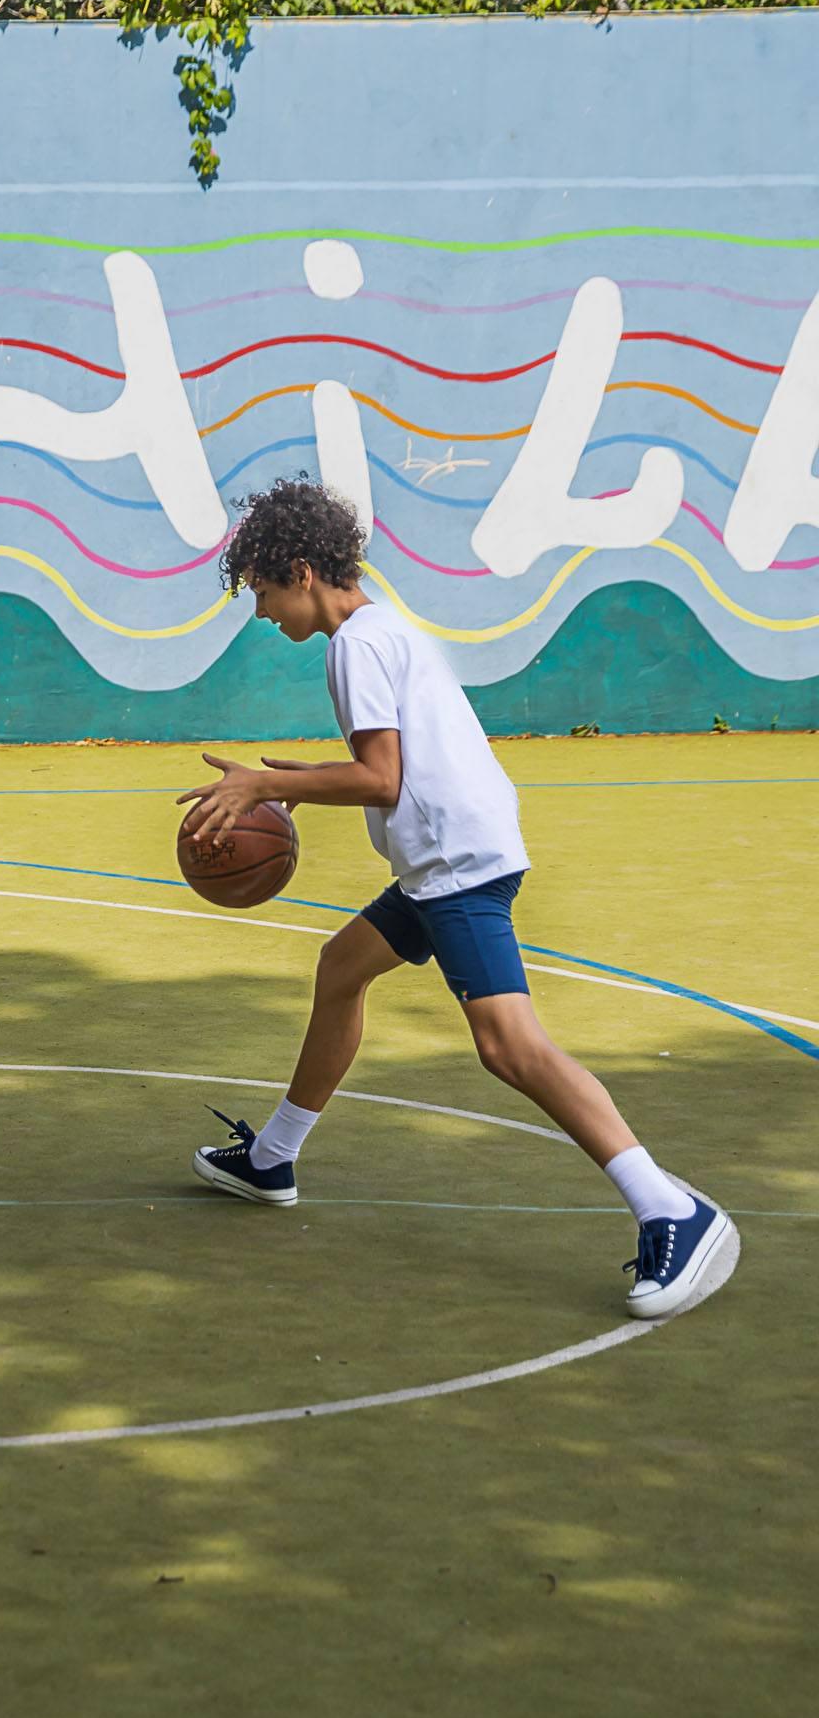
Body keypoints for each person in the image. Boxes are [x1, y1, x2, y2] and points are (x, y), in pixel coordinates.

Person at [177, 478, 732, 1318]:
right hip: (450, 854)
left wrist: (261, 781)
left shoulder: (353, 645)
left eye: (262, 592)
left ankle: (672, 1209)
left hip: (457, 865)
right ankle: (274, 1158)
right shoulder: (382, 625)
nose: (261, 613)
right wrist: (292, 781)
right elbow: (396, 770)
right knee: (340, 969)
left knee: (509, 1046)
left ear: (301, 569)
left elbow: (381, 776)